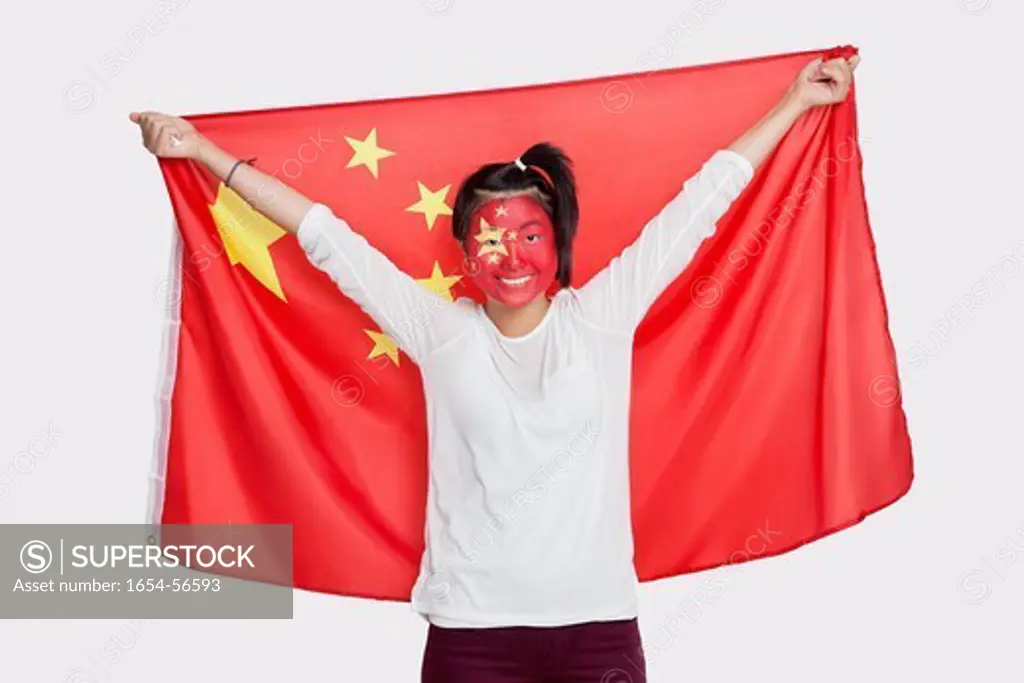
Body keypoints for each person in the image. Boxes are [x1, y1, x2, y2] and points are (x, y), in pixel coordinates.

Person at [131, 53, 859, 683]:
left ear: (558, 242)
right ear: (464, 253)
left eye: (529, 235)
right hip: (472, 637)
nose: (510, 257)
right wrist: (199, 150)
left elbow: (704, 200)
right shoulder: (440, 331)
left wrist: (799, 100)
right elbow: (325, 236)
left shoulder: (602, 317)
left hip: (599, 629)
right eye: (490, 238)